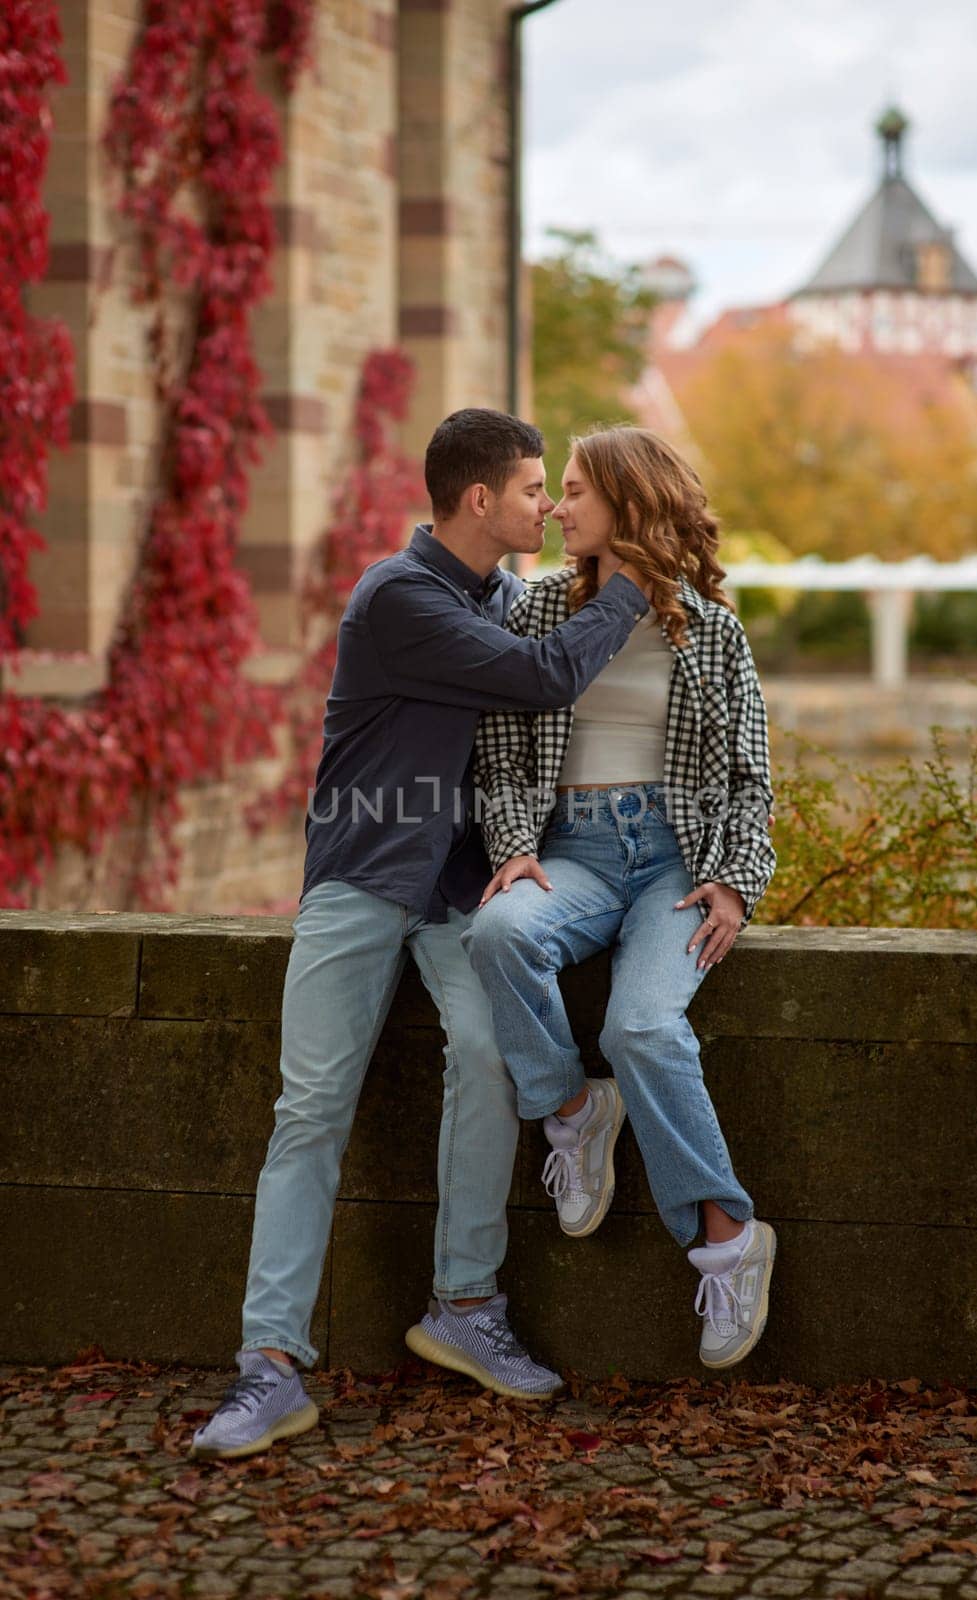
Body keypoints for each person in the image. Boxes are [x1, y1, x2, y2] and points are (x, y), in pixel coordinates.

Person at [191, 409, 652, 1459]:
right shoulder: (397, 597)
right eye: (536, 487)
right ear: (480, 499)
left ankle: (464, 1306)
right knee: (309, 1107)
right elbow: (543, 679)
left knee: (490, 1054)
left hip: (455, 883)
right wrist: (627, 581)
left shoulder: (500, 596)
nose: (548, 503)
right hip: (360, 876)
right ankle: (268, 1366)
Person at [464, 425, 777, 1371]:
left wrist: (732, 881)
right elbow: (500, 751)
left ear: (629, 503)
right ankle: (571, 1111)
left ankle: (727, 1236)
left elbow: (751, 780)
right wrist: (516, 845)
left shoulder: (712, 630)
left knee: (642, 1030)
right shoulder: (540, 611)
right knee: (499, 932)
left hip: (677, 864)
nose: (556, 508)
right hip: (575, 854)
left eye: (573, 492)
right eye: (551, 490)